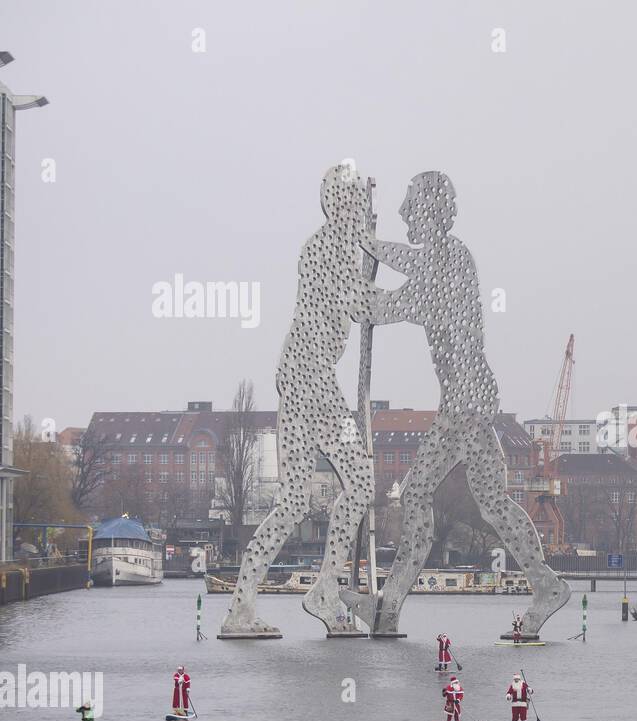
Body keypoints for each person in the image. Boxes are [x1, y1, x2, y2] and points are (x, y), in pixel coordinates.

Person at [349, 172, 570, 637]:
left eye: (410, 206)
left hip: (465, 403)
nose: (405, 214)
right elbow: (407, 261)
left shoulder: (450, 261)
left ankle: (388, 609)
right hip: (469, 398)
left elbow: (389, 306)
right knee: (491, 501)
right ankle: (546, 585)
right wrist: (368, 244)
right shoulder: (444, 257)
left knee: (415, 494)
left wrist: (353, 284)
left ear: (430, 211)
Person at [220, 165, 377, 637]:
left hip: (308, 378)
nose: (363, 213)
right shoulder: (327, 248)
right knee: (362, 483)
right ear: (338, 206)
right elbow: (362, 306)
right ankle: (321, 592)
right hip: (312, 381)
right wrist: (398, 287)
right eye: (356, 206)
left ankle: (244, 606)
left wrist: (369, 260)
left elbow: (358, 298)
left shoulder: (336, 249)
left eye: (365, 208)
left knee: (293, 502)